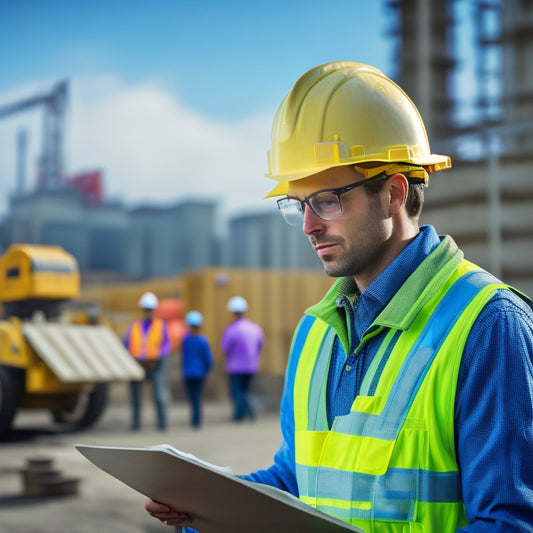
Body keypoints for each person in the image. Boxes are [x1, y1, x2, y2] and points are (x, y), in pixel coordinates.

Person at [145, 62, 533, 531]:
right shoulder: (316, 331)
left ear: (393, 193)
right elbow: (297, 480)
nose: (309, 226)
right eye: (298, 204)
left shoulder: (489, 326)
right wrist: (205, 507)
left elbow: (509, 524)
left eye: (327, 200)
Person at [124, 291, 171, 431]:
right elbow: (127, 344)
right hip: (138, 364)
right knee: (135, 397)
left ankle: (162, 423)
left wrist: (160, 356)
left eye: (150, 310)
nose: (148, 313)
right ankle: (135, 423)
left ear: (154, 310)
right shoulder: (134, 326)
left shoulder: (160, 325)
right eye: (146, 310)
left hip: (155, 364)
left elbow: (166, 344)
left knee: (159, 395)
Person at [221, 296, 264, 422]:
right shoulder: (255, 328)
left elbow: (225, 348)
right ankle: (250, 413)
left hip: (235, 367)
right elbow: (260, 345)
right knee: (245, 390)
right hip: (251, 365)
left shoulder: (231, 330)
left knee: (238, 392)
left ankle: (239, 415)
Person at [181, 311, 213, 429]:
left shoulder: (185, 340)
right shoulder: (202, 340)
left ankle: (194, 420)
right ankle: (197, 420)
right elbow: (208, 358)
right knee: (197, 397)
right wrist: (207, 369)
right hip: (199, 373)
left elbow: (184, 357)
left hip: (188, 373)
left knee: (192, 397)